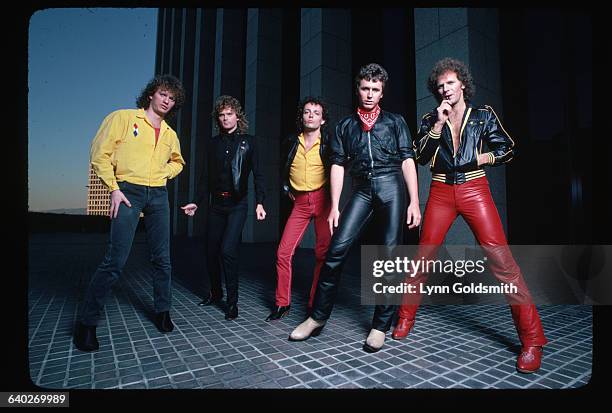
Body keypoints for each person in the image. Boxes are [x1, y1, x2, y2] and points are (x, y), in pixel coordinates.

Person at [392, 57, 547, 373]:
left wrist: (482, 156)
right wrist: (437, 124)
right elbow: (420, 155)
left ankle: (532, 340)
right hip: (439, 192)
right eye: (440, 85)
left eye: (450, 82)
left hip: (475, 190)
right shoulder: (430, 118)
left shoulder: (483, 116)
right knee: (422, 258)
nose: (445, 89)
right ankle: (405, 319)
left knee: (503, 263)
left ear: (462, 83)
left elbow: (508, 148)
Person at [289, 63, 421, 352]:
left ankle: (379, 326)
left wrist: (414, 201)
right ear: (357, 89)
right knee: (335, 251)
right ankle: (316, 317)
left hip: (391, 187)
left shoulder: (395, 121)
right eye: (365, 88)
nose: (370, 94)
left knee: (389, 255)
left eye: (375, 89)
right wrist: (335, 206)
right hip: (361, 189)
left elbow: (407, 160)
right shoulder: (345, 126)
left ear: (382, 92)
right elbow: (337, 165)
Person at [73, 74, 186, 352]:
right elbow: (99, 153)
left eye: (171, 98)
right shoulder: (123, 118)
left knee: (163, 259)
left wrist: (164, 174)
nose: (166, 101)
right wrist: (113, 188)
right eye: (163, 94)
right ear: (151, 94)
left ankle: (163, 312)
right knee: (115, 260)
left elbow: (178, 162)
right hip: (127, 192)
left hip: (158, 195)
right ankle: (86, 324)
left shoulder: (171, 134)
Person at [181, 95, 266, 321]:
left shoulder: (250, 142)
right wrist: (197, 202)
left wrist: (260, 202)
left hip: (237, 205)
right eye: (222, 114)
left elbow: (259, 175)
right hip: (216, 205)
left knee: (227, 250)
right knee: (210, 252)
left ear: (237, 116)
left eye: (230, 114)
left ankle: (232, 302)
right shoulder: (212, 143)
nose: (226, 118)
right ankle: (215, 292)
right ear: (218, 118)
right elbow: (205, 177)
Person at [266, 97, 332, 322]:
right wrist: (286, 188)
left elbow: (338, 169)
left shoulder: (328, 142)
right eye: (307, 111)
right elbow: (282, 168)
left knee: (323, 253)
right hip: (300, 202)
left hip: (323, 200)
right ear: (302, 117)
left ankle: (315, 303)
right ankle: (282, 303)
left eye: (316, 112)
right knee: (283, 252)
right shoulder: (291, 141)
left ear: (323, 120)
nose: (311, 115)